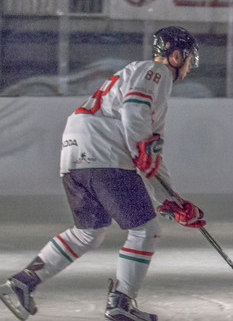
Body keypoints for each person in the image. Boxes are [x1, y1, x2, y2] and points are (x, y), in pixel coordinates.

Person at [0, 26, 207, 321]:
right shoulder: (156, 73)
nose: (190, 65)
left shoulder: (139, 75)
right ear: (175, 55)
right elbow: (135, 113)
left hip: (74, 153)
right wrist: (142, 148)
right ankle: (121, 302)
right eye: (189, 57)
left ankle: (24, 281)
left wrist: (170, 200)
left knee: (88, 232)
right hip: (103, 153)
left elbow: (150, 155)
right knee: (144, 230)